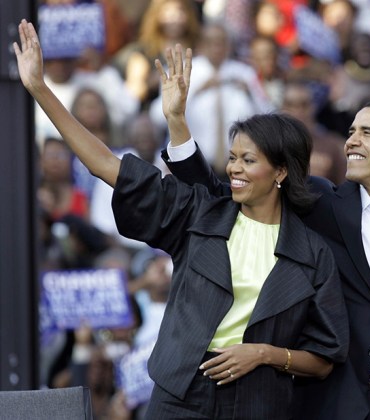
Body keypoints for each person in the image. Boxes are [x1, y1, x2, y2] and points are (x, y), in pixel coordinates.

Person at [15, 20, 348, 419]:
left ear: (280, 172)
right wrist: (39, 89)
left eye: (248, 160)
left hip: (259, 405)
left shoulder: (312, 253)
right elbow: (106, 164)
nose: (234, 169)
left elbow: (324, 356)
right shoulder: (198, 212)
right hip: (179, 397)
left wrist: (263, 354)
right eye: (233, 157)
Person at [161, 80, 370, 419]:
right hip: (330, 397)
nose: (351, 141)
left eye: (367, 133)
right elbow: (220, 193)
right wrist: (177, 122)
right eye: (351, 131)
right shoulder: (321, 201)